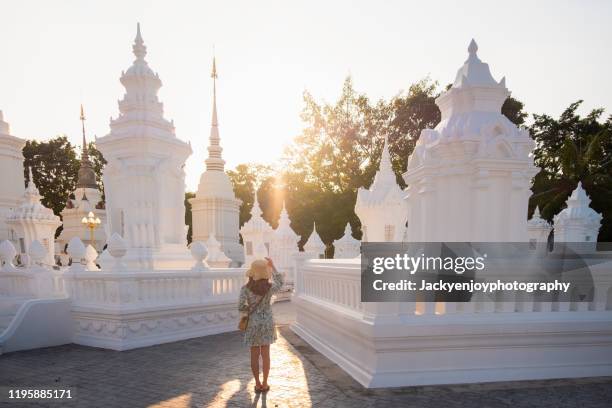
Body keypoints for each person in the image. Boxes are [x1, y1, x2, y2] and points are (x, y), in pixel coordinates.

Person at [238, 257, 284, 393]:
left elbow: (241, 306)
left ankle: (257, 384)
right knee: (265, 355)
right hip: (267, 323)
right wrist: (273, 265)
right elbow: (280, 281)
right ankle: (265, 383)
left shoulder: (245, 289)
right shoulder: (269, 288)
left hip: (252, 323)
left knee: (254, 355)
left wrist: (250, 311)